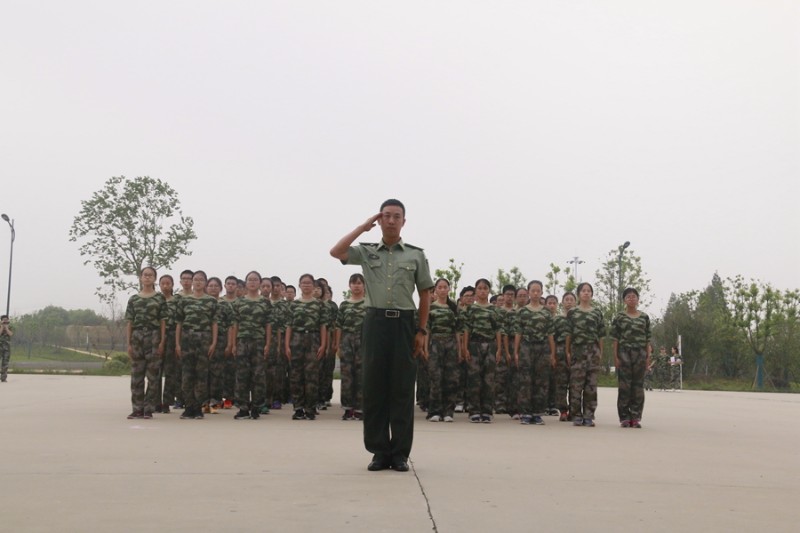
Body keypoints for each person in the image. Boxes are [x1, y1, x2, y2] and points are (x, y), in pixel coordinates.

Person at [330, 199, 433, 473]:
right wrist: (362, 228)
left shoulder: (415, 255)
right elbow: (336, 251)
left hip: (404, 325)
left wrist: (421, 330)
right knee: (374, 389)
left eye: (396, 216)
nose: (390, 221)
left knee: (401, 390)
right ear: (379, 220)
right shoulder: (365, 252)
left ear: (403, 221)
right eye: (385, 216)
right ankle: (378, 451)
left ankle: (399, 453)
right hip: (374, 323)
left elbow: (425, 293)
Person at [175, 270, 219, 420]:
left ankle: (198, 407)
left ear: (205, 283)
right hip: (187, 340)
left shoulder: (211, 301)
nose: (198, 282)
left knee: (201, 375)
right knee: (187, 375)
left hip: (204, 339)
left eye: (201, 279)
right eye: (196, 279)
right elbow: (179, 323)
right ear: (192, 282)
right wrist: (177, 344)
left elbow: (214, 323)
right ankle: (188, 407)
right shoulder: (184, 300)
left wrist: (213, 342)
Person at [124, 267, 167, 419]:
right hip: (137, 337)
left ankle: (148, 408)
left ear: (155, 278)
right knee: (137, 375)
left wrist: (162, 341)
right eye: (145, 275)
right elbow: (129, 322)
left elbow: (163, 321)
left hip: (154, 336)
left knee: (153, 376)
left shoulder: (159, 298)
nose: (147, 277)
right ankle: (137, 408)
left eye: (151, 275)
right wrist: (128, 343)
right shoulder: (134, 299)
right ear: (141, 278)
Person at [284, 273, 327, 421]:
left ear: (314, 286)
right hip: (296, 339)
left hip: (313, 339)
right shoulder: (294, 305)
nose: (306, 285)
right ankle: (298, 408)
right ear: (299, 285)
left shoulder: (319, 304)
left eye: (309, 283)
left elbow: (323, 325)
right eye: (303, 283)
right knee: (296, 375)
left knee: (312, 376)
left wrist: (323, 344)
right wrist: (287, 345)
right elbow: (289, 325)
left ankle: (310, 408)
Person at [512, 280, 555, 425]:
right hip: (526, 347)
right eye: (533, 290)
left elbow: (550, 334)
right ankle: (525, 412)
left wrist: (553, 353)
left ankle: (537, 413)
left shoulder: (546, 312)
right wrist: (516, 352)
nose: (536, 293)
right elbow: (518, 332)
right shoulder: (522, 312)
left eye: (538, 290)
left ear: (542, 292)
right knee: (525, 380)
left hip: (543, 348)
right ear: (529, 292)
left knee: (541, 381)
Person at [462, 278, 504, 423]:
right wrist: (465, 347)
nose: (482, 291)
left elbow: (498, 329)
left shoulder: (494, 310)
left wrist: (499, 349)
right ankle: (474, 410)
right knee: (474, 379)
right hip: (474, 345)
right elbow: (466, 329)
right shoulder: (471, 309)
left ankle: (486, 410)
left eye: (485, 288)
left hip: (490, 345)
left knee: (489, 379)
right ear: (475, 291)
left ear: (489, 291)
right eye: (479, 288)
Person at [231, 271, 272, 420]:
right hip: (242, 341)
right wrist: (234, 344)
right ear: (246, 283)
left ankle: (256, 406)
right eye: (250, 280)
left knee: (258, 375)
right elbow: (235, 324)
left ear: (260, 283)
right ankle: (243, 407)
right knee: (242, 375)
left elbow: (268, 324)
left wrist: (268, 343)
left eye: (255, 280)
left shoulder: (265, 302)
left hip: (259, 341)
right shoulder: (239, 302)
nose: (252, 282)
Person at [566, 282, 606, 427]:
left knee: (591, 385)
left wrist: (600, 352)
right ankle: (576, 415)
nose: (586, 293)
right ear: (578, 294)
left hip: (593, 352)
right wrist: (567, 351)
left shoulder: (597, 313)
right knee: (576, 385)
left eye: (589, 291)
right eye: (583, 290)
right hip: (577, 351)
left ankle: (589, 415)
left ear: (591, 294)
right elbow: (568, 334)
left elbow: (601, 335)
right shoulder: (573, 312)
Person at [611, 287, 652, 428]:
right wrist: (615, 356)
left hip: (640, 355)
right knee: (624, 386)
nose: (631, 298)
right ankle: (624, 417)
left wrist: (648, 357)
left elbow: (648, 339)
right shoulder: (619, 317)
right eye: (628, 296)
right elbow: (615, 339)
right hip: (624, 354)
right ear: (624, 300)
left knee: (638, 387)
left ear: (638, 299)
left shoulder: (644, 317)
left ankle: (636, 416)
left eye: (634, 296)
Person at [426, 278, 461, 423]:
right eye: (439, 287)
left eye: (444, 287)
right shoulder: (430, 308)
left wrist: (459, 349)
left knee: (450, 378)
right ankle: (435, 411)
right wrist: (426, 348)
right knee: (436, 378)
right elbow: (427, 329)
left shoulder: (453, 307)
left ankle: (448, 411)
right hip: (435, 343)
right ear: (435, 289)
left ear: (449, 289)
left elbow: (458, 330)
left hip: (451, 344)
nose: (442, 290)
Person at [336, 273, 367, 421]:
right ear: (349, 286)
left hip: (363, 341)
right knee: (347, 375)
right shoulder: (344, 305)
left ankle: (360, 408)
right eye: (354, 283)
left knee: (362, 376)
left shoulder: (368, 303)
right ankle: (348, 409)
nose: (356, 286)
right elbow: (338, 326)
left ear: (364, 286)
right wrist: (338, 345)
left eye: (359, 283)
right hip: (347, 341)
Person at [0, 315, 13, 382]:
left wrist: (6, 328)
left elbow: (11, 334)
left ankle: (3, 378)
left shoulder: (10, 327)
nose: (5, 321)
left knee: (5, 363)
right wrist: (2, 327)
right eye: (3, 320)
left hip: (7, 348)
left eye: (6, 320)